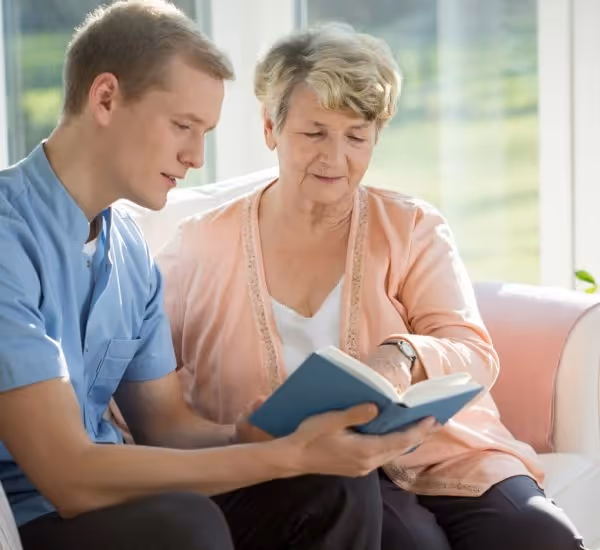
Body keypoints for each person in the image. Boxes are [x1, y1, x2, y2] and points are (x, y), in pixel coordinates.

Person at [0, 3, 441, 550]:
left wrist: (258, 437)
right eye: (183, 126)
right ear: (106, 98)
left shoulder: (129, 251)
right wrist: (280, 456)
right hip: (37, 517)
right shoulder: (6, 239)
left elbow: (167, 427)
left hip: (122, 498)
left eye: (204, 132)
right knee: (189, 524)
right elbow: (67, 476)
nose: (195, 157)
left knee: (331, 485)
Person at [157, 23, 588, 550]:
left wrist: (402, 353)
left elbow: (474, 352)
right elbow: (142, 374)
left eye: (356, 136)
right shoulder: (198, 245)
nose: (335, 158)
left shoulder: (411, 227)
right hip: (311, 472)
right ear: (271, 126)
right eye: (314, 133)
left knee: (541, 535)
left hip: (443, 451)